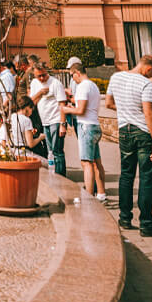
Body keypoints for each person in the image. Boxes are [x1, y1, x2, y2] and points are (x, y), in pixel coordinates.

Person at [107, 55, 152, 237]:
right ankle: (146, 223)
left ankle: (125, 218)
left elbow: (109, 103)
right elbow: (148, 113)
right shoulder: (145, 84)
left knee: (126, 175)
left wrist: (126, 110)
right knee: (146, 178)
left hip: (124, 131)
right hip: (142, 133)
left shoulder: (115, 77)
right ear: (148, 68)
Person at [62, 57, 106, 202]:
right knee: (96, 163)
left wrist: (66, 109)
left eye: (71, 75)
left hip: (86, 127)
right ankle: (101, 194)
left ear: (77, 73)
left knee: (86, 163)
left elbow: (80, 110)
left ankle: (88, 197)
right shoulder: (93, 86)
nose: (72, 79)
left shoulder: (82, 86)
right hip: (95, 125)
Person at [30, 65, 69, 176]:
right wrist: (40, 93)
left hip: (55, 120)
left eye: (44, 75)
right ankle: (53, 173)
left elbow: (62, 104)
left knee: (57, 151)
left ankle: (61, 175)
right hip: (44, 121)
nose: (42, 78)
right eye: (39, 76)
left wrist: (62, 124)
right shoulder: (34, 83)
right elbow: (32, 101)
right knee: (50, 151)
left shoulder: (55, 83)